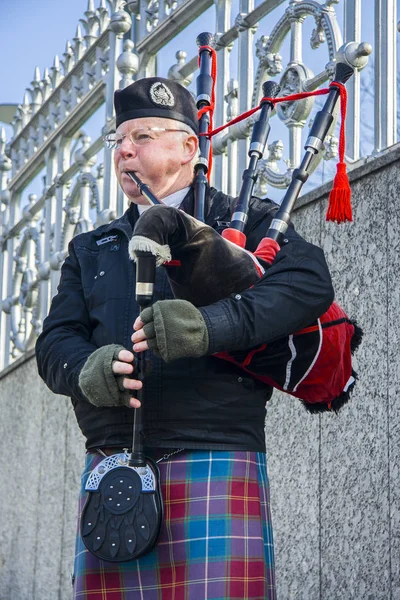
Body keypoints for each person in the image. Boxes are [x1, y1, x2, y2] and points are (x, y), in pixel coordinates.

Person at [35, 76, 334, 599]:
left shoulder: (247, 223)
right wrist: (88, 370)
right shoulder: (92, 247)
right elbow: (55, 341)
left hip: (214, 455)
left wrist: (209, 328)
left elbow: (308, 284)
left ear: (189, 146)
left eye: (143, 136)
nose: (125, 149)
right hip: (111, 467)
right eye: (117, 140)